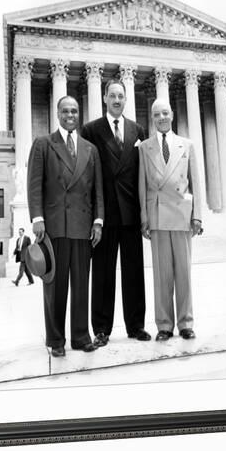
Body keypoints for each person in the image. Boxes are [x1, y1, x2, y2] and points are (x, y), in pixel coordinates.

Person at [27, 95, 104, 357]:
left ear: (78, 114)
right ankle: (56, 340)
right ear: (57, 113)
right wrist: (37, 218)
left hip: (83, 228)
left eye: (74, 111)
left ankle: (81, 337)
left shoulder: (90, 149)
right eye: (65, 111)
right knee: (55, 287)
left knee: (82, 285)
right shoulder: (43, 144)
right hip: (55, 227)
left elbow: (97, 191)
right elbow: (34, 183)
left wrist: (98, 221)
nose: (70, 115)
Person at [81, 78, 150, 347]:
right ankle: (101, 329)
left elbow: (143, 174)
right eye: (112, 95)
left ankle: (136, 326)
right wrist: (93, 217)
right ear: (104, 99)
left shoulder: (138, 130)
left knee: (134, 272)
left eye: (121, 95)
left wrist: (145, 213)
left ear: (125, 99)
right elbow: (87, 176)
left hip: (131, 213)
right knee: (102, 274)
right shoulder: (91, 130)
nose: (117, 100)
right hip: (104, 214)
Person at [138, 99, 203, 341]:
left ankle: (186, 322)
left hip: (182, 215)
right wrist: (144, 218)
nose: (162, 117)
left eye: (165, 113)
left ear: (172, 115)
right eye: (157, 115)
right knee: (161, 274)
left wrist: (197, 216)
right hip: (157, 215)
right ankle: (164, 325)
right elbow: (142, 185)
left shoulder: (187, 145)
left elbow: (196, 181)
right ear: (152, 118)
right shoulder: (144, 148)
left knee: (184, 272)